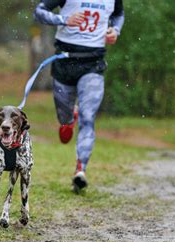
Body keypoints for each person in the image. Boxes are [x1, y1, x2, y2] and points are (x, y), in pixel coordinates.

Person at [34, 0, 124, 192]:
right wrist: (64, 19)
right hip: (64, 62)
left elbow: (118, 15)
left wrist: (115, 30)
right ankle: (68, 119)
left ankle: (80, 169)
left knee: (88, 117)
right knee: (64, 121)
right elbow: (39, 11)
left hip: (93, 63)